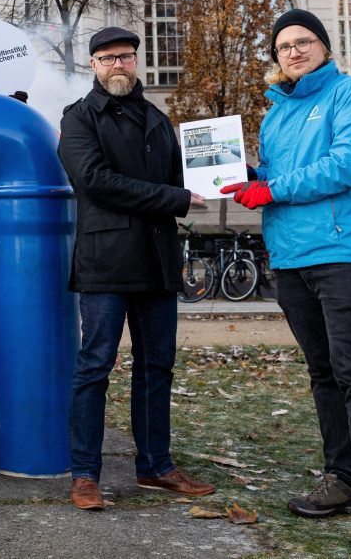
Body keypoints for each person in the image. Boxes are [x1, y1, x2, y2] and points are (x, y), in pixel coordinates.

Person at [220, 8, 351, 552]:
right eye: (283, 46)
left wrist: (271, 191)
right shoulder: (276, 114)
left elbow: (347, 163)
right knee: (324, 374)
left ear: (323, 47)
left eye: (303, 42)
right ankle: (341, 480)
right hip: (292, 258)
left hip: (345, 252)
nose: (293, 52)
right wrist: (249, 177)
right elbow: (278, 179)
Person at [57, 27, 215, 512]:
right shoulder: (78, 119)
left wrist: (228, 170)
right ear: (94, 66)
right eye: (107, 58)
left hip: (157, 260)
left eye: (125, 56)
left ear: (135, 61)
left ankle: (155, 466)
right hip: (105, 263)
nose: (117, 65)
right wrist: (177, 199)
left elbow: (181, 177)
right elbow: (95, 181)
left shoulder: (158, 119)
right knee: (94, 368)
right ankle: (85, 474)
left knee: (156, 369)